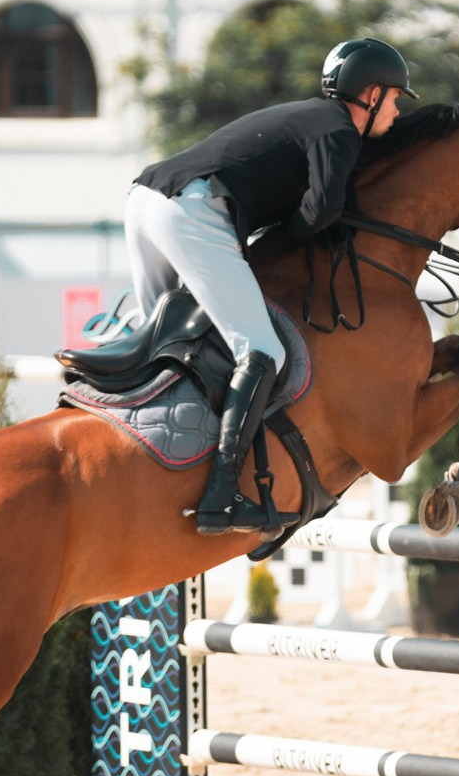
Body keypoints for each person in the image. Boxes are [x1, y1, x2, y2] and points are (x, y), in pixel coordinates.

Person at [125, 37, 414, 534]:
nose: (395, 110)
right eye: (393, 98)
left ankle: (142, 457)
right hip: (192, 210)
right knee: (262, 351)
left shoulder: (308, 117)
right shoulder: (340, 129)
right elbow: (320, 212)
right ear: (369, 95)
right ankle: (221, 496)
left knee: (164, 339)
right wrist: (293, 234)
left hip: (144, 199)